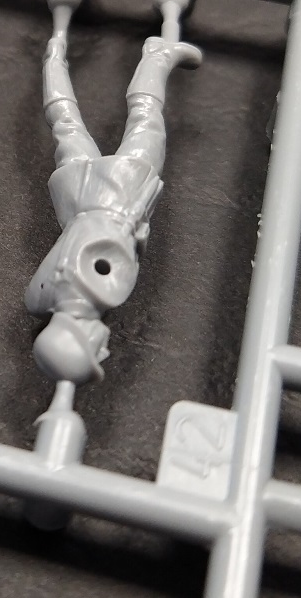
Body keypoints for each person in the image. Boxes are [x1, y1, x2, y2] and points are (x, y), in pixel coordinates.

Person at [27, 31, 200, 385]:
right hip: (80, 199)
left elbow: (115, 248)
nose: (103, 350)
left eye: (95, 351)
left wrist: (135, 231)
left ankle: (156, 56)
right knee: (65, 122)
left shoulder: (101, 290)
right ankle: (53, 60)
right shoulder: (41, 298)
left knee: (146, 120)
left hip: (121, 195)